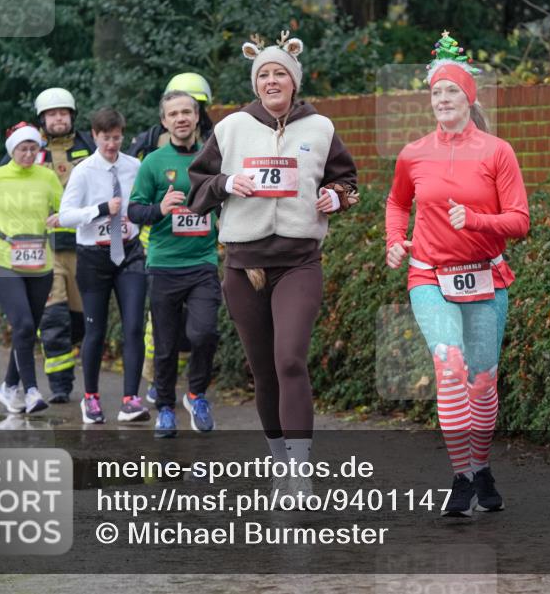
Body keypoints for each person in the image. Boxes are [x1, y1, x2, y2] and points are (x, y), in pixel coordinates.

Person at [188, 32, 358, 494]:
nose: (271, 80)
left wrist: (334, 197)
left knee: (289, 362)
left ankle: (300, 471)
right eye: (263, 74)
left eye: (279, 72)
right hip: (244, 265)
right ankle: (279, 459)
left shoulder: (319, 128)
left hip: (298, 261)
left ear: (294, 81)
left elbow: (348, 182)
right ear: (254, 83)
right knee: (262, 369)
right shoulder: (231, 128)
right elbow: (197, 189)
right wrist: (227, 183)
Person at [385, 31, 529, 517]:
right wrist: (393, 241)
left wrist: (476, 221)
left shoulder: (497, 152)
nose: (442, 99)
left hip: (487, 278)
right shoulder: (413, 153)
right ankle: (462, 476)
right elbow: (396, 201)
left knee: (482, 382)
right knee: (449, 369)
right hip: (430, 277)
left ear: (468, 97)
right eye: (435, 92)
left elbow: (521, 221)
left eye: (450, 91)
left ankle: (481, 465)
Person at [128, 90, 221, 438]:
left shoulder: (213, 158)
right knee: (165, 345)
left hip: (203, 262)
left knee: (205, 332)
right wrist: (160, 209)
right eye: (174, 114)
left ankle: (196, 395)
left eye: (187, 112)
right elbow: (134, 211)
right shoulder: (152, 162)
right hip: (165, 264)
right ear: (164, 121)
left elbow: (229, 202)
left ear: (197, 118)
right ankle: (165, 408)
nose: (181, 119)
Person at [58, 108, 149, 424]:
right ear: (94, 136)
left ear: (122, 135)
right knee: (95, 330)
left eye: (116, 137)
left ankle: (130, 399)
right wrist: (99, 209)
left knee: (134, 325)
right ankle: (91, 398)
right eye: (105, 137)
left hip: (129, 254)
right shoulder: (84, 171)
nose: (111, 144)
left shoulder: (135, 166)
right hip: (94, 258)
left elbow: (144, 202)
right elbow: (65, 215)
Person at [0, 123, 64, 414]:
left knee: (27, 329)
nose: (28, 153)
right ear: (12, 150)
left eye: (33, 148)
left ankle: (8, 387)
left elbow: (64, 208)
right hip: (2, 259)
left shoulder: (47, 176)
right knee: (23, 324)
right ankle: (32, 391)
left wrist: (60, 217)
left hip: (39, 260)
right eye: (23, 148)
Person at [31, 87, 96, 403]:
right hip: (44, 248)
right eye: (52, 114)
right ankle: (60, 385)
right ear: (42, 119)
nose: (58, 119)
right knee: (52, 317)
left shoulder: (91, 147)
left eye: (63, 113)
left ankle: (81, 374)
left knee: (79, 320)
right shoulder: (29, 150)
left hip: (84, 245)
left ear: (72, 116)